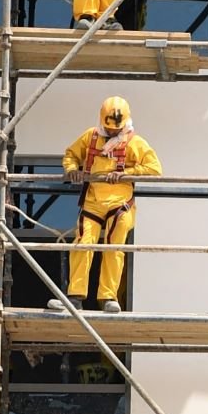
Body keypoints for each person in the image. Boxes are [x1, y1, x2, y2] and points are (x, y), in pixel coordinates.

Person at [49, 96, 162, 314]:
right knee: (83, 243)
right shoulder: (91, 137)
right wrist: (72, 170)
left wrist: (125, 173)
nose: (111, 132)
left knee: (113, 246)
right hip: (93, 202)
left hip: (120, 204)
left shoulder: (134, 142)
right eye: (108, 128)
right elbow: (71, 155)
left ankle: (108, 297)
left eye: (115, 129)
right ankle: (75, 296)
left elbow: (154, 168)